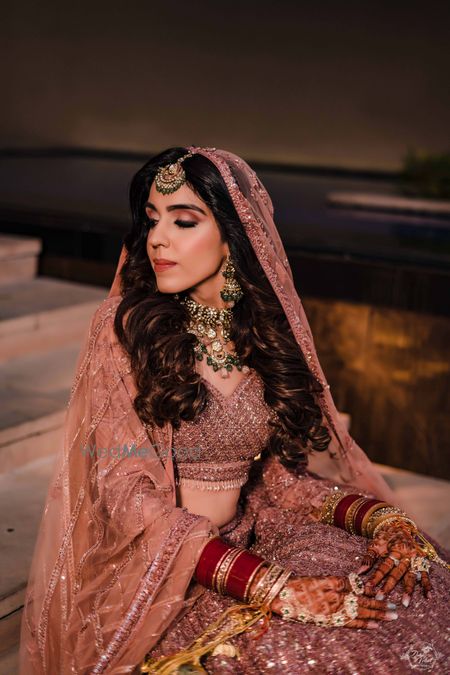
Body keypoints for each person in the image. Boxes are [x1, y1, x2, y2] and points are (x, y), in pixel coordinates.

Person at [19, 147, 449, 675]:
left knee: (410, 597)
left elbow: (276, 479)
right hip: (161, 567)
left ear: (233, 233)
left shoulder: (262, 330)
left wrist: (379, 517)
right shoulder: (126, 329)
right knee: (301, 652)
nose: (157, 238)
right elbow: (124, 495)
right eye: (152, 219)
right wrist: (273, 587)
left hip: (253, 532)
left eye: (184, 221)